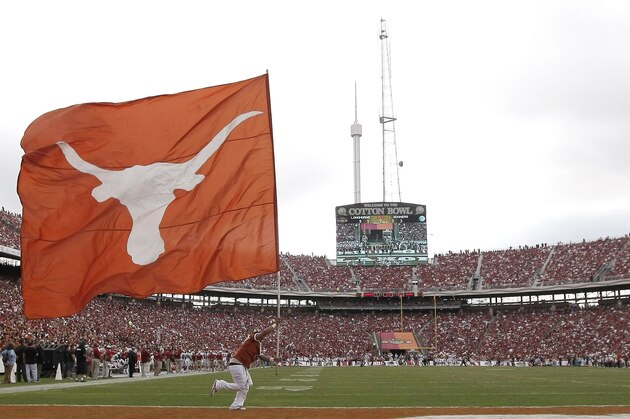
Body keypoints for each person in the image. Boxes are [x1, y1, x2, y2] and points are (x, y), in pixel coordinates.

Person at [211, 320, 279, 411]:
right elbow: (263, 333)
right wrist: (275, 325)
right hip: (237, 364)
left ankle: (236, 405)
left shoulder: (258, 345)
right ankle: (219, 384)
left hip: (241, 366)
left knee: (246, 386)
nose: (258, 334)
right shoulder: (252, 338)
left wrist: (273, 359)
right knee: (241, 386)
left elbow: (261, 357)